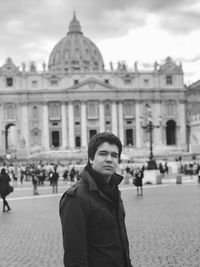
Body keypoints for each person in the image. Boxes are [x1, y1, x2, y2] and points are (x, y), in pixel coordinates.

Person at [59, 132, 132, 267]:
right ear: (91, 158)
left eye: (114, 155)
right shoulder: (76, 198)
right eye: (103, 154)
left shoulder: (114, 191)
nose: (109, 159)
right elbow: (74, 257)